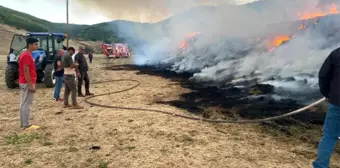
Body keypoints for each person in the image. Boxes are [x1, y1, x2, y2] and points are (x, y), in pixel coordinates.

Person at [313, 48, 340, 168]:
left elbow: (323, 76)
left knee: (329, 136)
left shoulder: (337, 53)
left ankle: (320, 166)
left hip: (337, 102)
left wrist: (328, 94)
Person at [19, 37, 40, 130]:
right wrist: (31, 84)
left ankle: (23, 123)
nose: (37, 46)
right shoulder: (27, 55)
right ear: (30, 45)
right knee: (27, 104)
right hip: (27, 82)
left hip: (23, 81)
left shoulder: (25, 54)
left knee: (23, 103)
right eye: (35, 44)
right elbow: (26, 70)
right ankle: (26, 125)